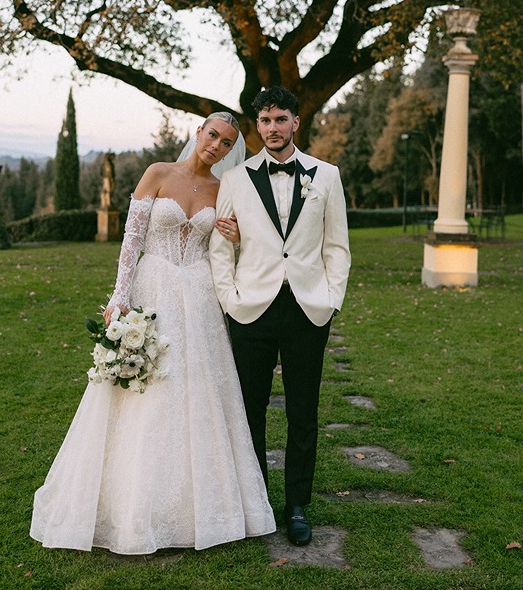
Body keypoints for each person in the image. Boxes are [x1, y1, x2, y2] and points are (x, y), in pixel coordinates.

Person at [30, 113, 275, 555]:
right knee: (144, 387)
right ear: (199, 131)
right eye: (213, 135)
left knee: (196, 389)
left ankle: (205, 506)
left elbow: (228, 248)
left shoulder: (225, 191)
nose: (216, 146)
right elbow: (132, 239)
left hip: (199, 297)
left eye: (226, 143)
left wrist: (237, 238)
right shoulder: (158, 174)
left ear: (230, 150)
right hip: (154, 289)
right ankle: (130, 505)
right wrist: (120, 298)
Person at [209, 87, 351, 546]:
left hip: (308, 310)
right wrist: (231, 300)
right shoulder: (236, 180)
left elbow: (337, 246)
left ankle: (296, 505)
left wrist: (330, 301)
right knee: (249, 410)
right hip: (251, 310)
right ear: (258, 126)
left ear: (296, 123)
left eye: (281, 119)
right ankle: (256, 503)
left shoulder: (326, 176)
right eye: (265, 121)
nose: (273, 128)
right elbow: (220, 246)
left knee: (303, 412)